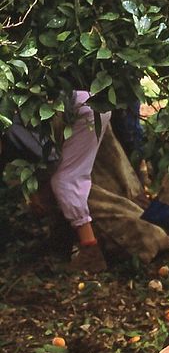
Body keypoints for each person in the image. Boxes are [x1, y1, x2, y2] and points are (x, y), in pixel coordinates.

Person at [1, 90, 111, 272]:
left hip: (88, 111)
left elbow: (49, 157)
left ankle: (91, 253)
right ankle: (62, 242)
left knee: (65, 180)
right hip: (86, 107)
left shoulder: (10, 126)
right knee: (62, 180)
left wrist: (36, 191)